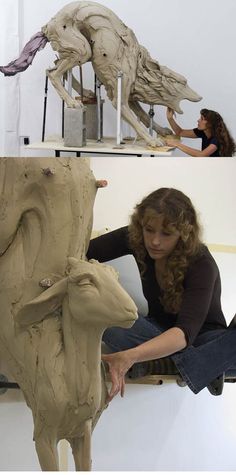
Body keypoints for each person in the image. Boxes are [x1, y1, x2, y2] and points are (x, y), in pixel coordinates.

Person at [87, 188, 236, 401]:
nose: (155, 241)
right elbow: (84, 251)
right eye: (149, 230)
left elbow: (185, 333)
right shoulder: (135, 238)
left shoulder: (202, 263)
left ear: (183, 235)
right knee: (105, 317)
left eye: (166, 234)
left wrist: (130, 356)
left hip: (204, 340)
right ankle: (197, 367)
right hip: (157, 332)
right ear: (141, 226)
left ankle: (164, 361)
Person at [165, 107, 235, 157]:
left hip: (217, 170)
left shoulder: (217, 139)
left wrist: (178, 145)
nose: (198, 120)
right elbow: (180, 132)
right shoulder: (202, 132)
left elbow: (202, 154)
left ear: (210, 124)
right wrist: (170, 118)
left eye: (202, 119)